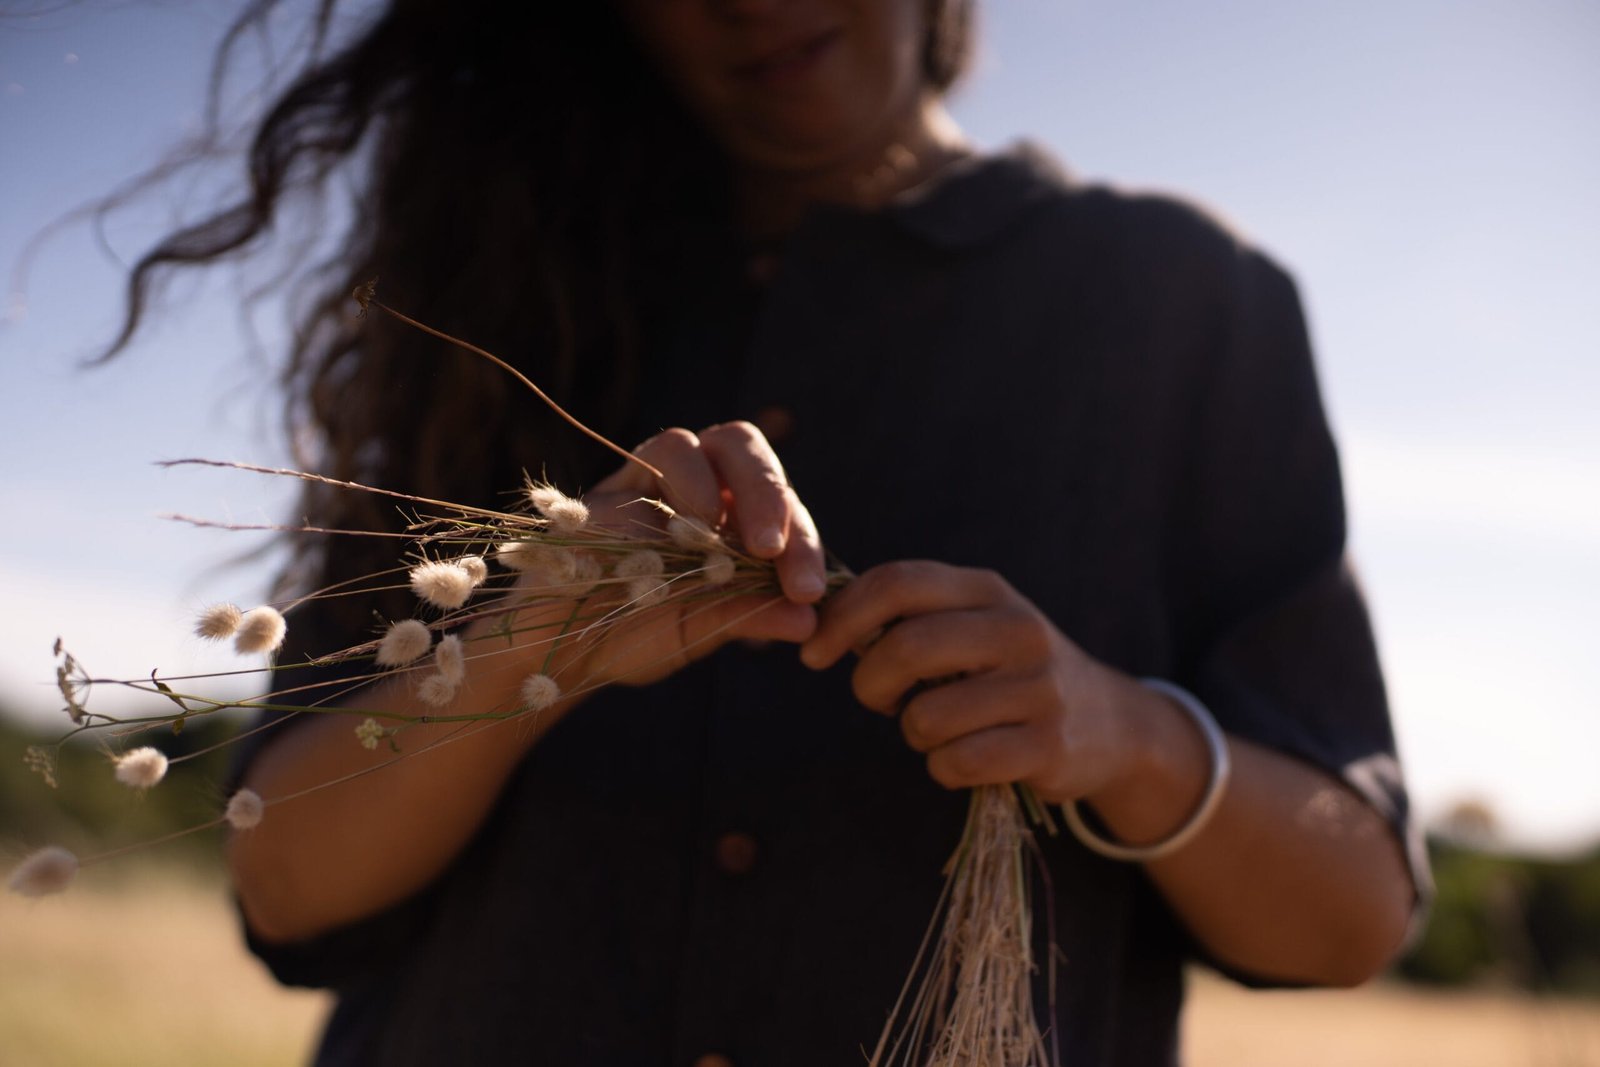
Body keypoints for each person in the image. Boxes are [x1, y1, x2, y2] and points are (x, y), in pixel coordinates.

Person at [112, 1, 1428, 1063]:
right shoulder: (499, 294)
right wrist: (528, 653)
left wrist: (1125, 736)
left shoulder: (1184, 301)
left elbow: (1353, 915)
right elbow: (284, 884)